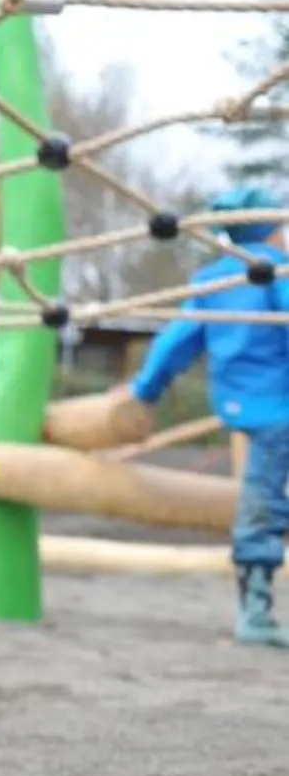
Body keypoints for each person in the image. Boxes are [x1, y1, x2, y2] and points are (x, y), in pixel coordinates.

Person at [107, 184, 289, 649]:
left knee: (265, 494)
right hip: (277, 409)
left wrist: (146, 388)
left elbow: (176, 341)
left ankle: (256, 601)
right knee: (264, 501)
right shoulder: (271, 274)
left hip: (238, 404)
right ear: (270, 232)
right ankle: (255, 610)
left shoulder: (215, 281)